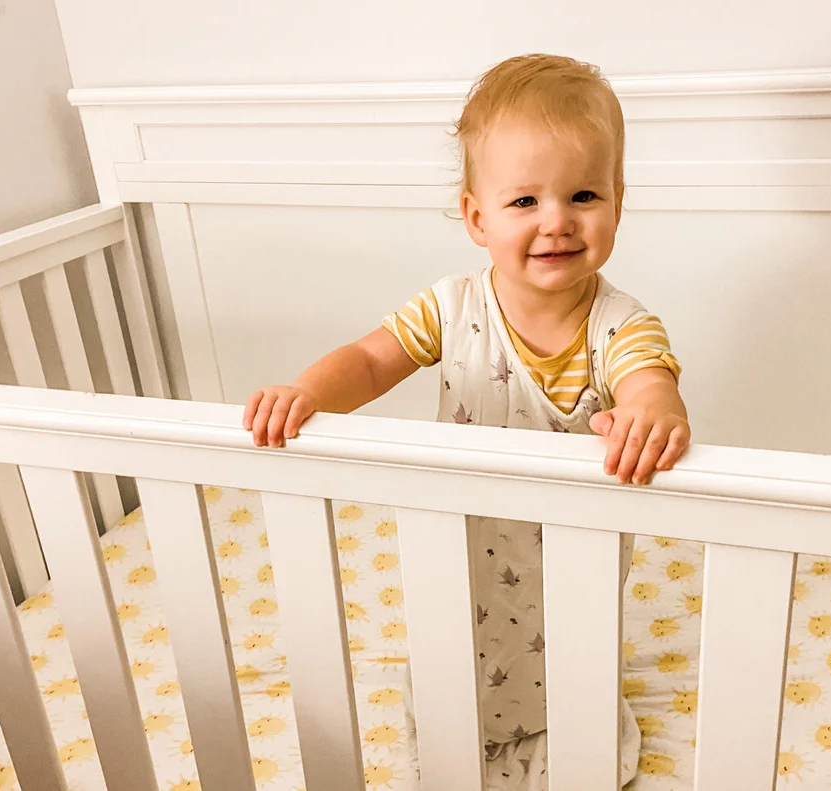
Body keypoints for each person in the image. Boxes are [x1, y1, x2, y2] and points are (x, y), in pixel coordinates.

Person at [243, 53, 690, 787]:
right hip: (462, 538)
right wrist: (307, 394)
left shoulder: (621, 324)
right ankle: (465, 729)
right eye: (524, 202)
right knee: (460, 643)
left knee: (570, 649)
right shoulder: (450, 307)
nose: (557, 221)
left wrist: (650, 414)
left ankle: (568, 729)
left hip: (570, 544)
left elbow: (650, 381)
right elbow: (368, 357)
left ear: (617, 200)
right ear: (477, 216)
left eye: (582, 194)